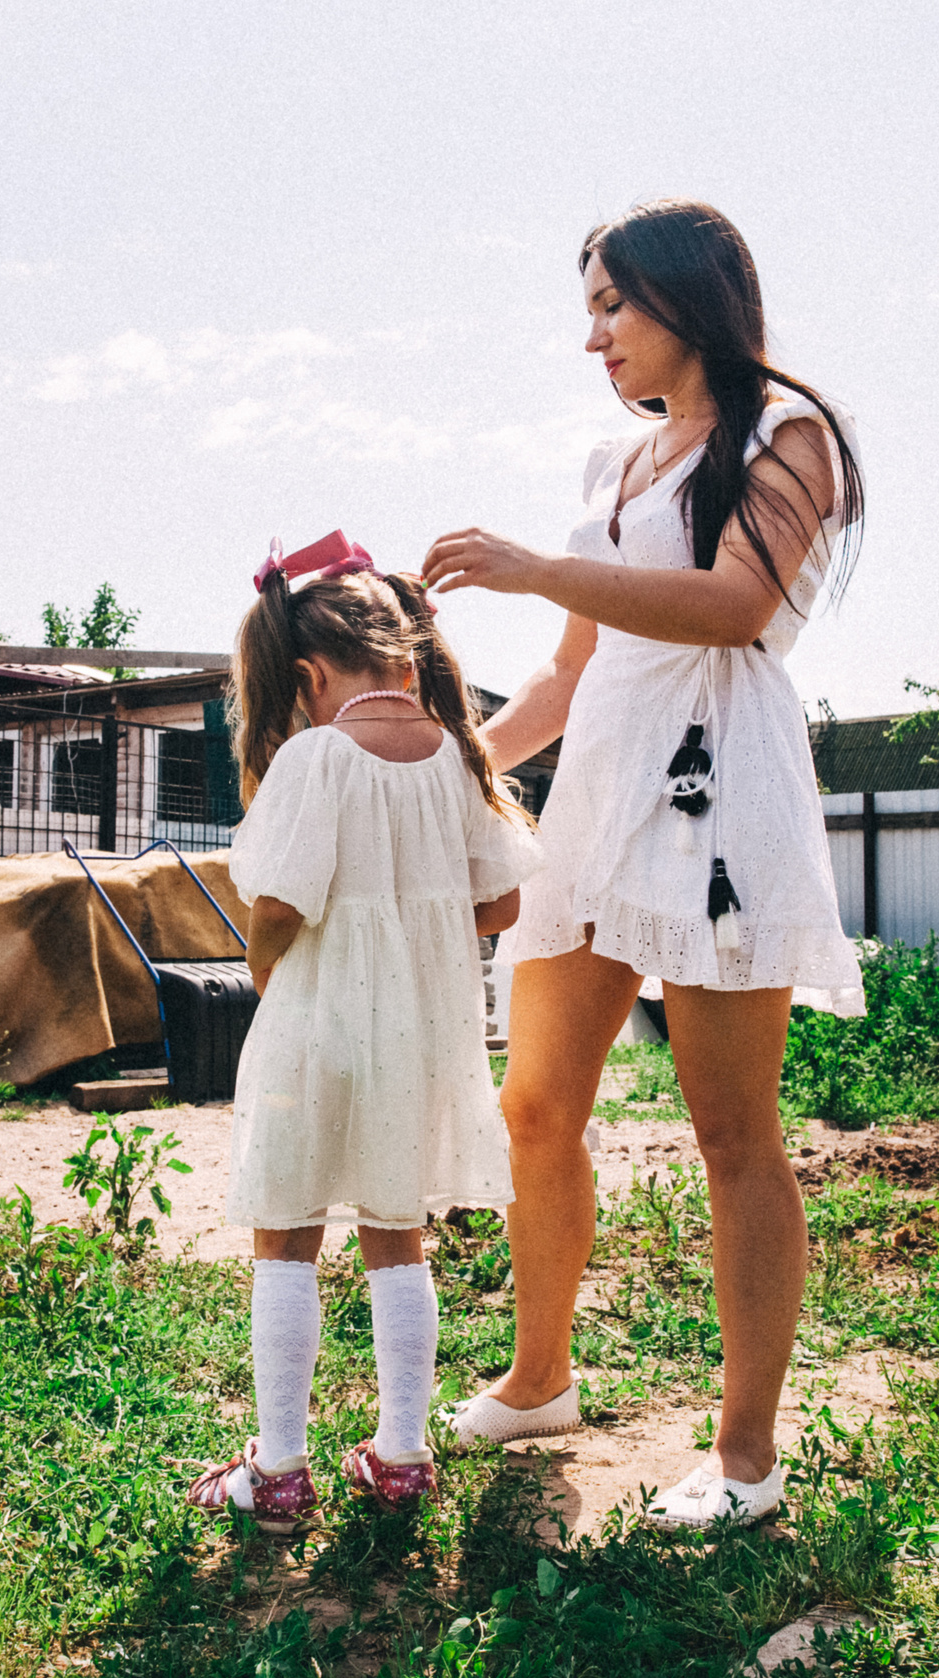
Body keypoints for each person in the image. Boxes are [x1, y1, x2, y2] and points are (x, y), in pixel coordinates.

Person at [420, 199, 866, 1530]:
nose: (595, 336)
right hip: (600, 796)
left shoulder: (789, 435)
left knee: (732, 1130)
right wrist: (449, 771)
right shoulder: (609, 467)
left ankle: (746, 1457)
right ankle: (539, 1380)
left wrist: (531, 569)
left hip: (718, 792)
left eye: (613, 304)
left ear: (689, 296)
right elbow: (569, 676)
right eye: (591, 309)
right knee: (534, 1106)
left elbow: (735, 605)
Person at [185, 536, 539, 1533]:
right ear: (406, 651)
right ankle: (400, 1456)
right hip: (417, 1037)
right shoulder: (455, 759)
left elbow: (279, 904)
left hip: (316, 1025)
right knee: (397, 1233)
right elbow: (502, 902)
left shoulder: (314, 759)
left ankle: (279, 1468)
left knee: (286, 1232)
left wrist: (265, 968)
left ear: (306, 676)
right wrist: (417, 908)